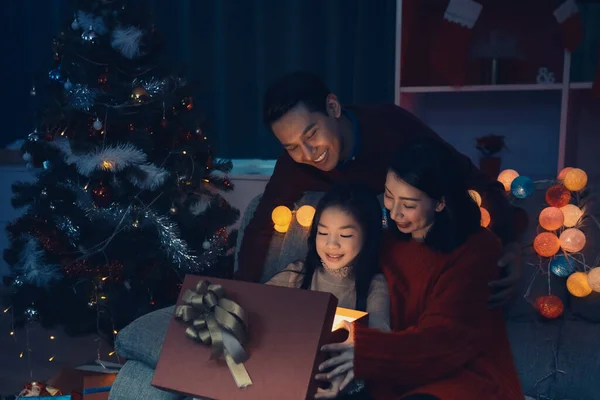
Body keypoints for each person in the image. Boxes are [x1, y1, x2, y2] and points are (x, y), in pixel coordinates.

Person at [235, 71, 522, 307]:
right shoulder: (293, 165)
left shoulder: (391, 126)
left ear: (333, 108)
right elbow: (260, 228)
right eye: (293, 146)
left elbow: (466, 177)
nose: (308, 153)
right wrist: (242, 297)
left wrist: (508, 240)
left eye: (312, 134)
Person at [314, 138, 524, 400]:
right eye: (389, 196)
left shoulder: (477, 250)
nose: (395, 213)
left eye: (409, 204)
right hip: (392, 376)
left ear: (440, 202)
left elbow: (444, 341)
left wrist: (366, 351)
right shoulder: (386, 241)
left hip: (462, 379)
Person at [267, 182, 390, 398]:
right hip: (289, 377)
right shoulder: (298, 275)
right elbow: (256, 303)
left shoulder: (374, 284)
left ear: (368, 237)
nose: (331, 245)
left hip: (345, 385)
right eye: (323, 233)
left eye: (345, 236)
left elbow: (381, 334)